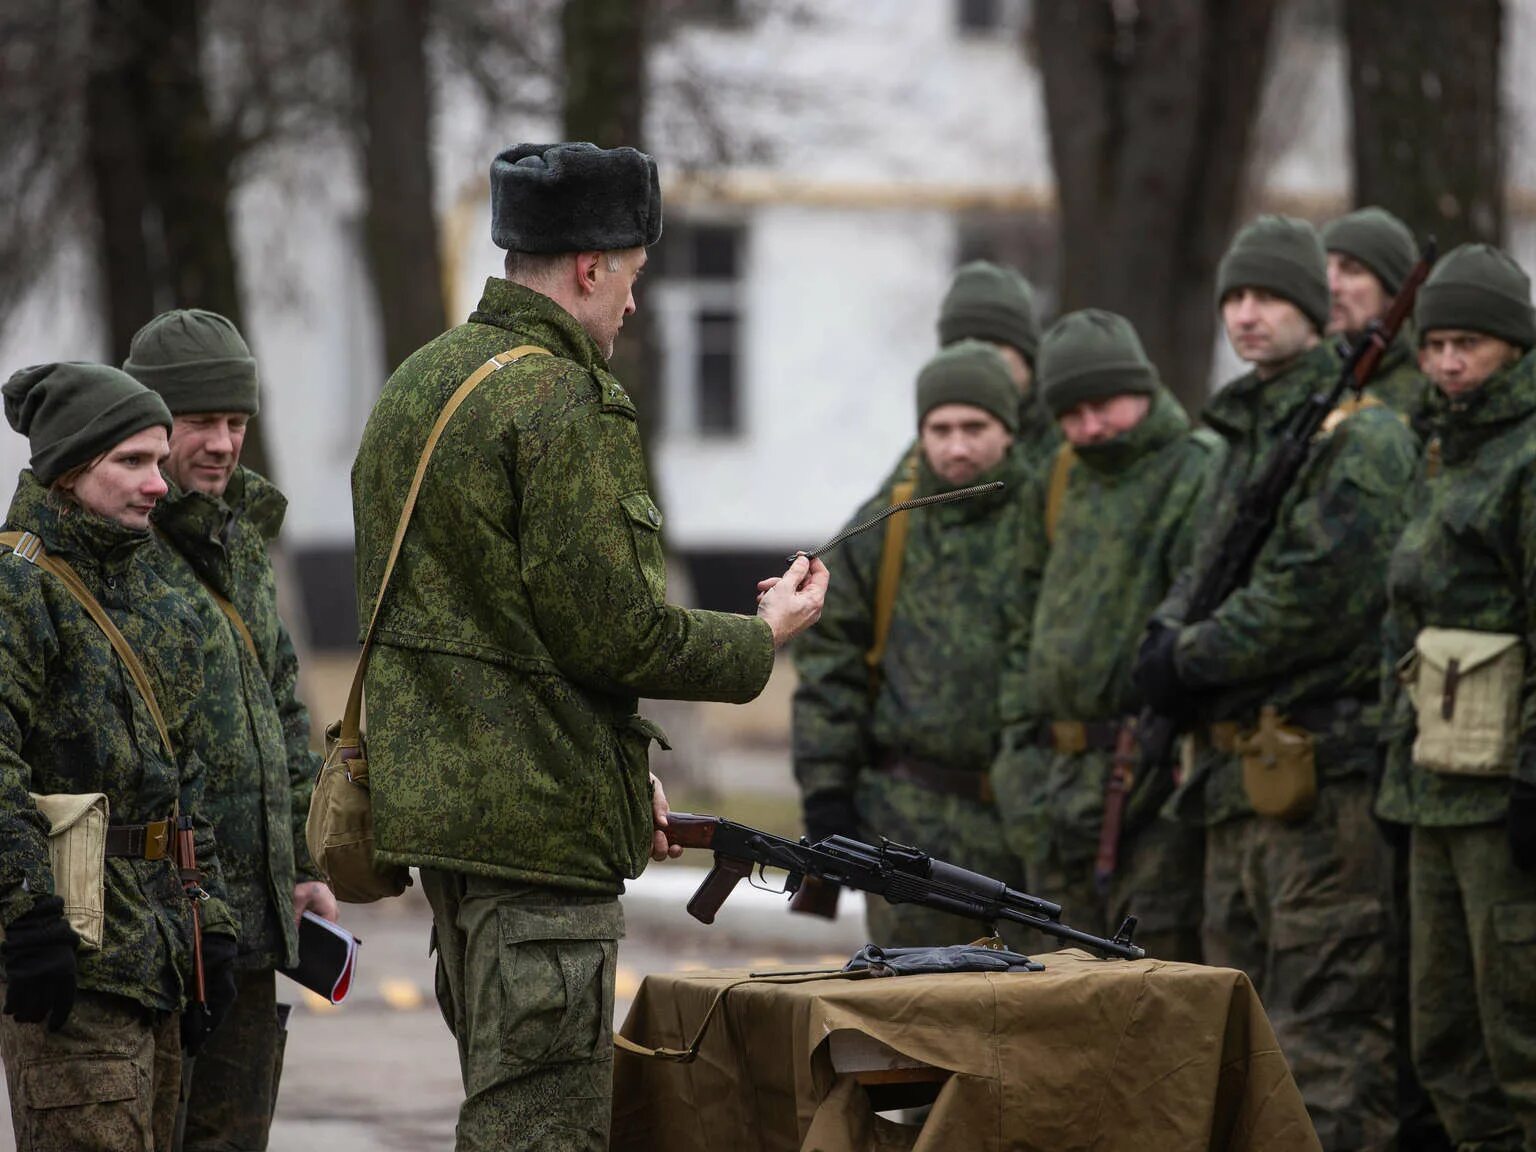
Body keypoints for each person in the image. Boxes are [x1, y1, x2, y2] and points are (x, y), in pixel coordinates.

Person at [350, 141, 827, 1151]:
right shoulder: (559, 400)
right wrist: (763, 633)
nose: (636, 305)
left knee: (504, 1107)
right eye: (636, 278)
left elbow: (492, 637)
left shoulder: (419, 384)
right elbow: (612, 632)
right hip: (536, 853)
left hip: (451, 833)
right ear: (589, 268)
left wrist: (612, 772)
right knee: (540, 1132)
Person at [1135, 215, 1417, 1150]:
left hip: (1320, 780)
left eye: (1270, 297)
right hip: (1236, 784)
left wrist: (1191, 656)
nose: (1247, 316)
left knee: (1328, 1044)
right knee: (1244, 1045)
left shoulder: (1362, 440)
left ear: (1313, 308)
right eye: (1235, 299)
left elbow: (1316, 594)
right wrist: (1165, 641)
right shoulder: (1244, 433)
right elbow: (1205, 564)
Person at [0, 363, 239, 1151]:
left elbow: (188, 779)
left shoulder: (154, 593)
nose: (158, 483)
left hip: (164, 962)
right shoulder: (17, 587)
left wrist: (212, 922)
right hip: (76, 960)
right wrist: (24, 915)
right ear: (70, 470)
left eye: (157, 458)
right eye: (130, 462)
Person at [123, 308, 336, 1150]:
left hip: (252, 930)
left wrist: (306, 865)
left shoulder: (240, 543)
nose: (221, 442)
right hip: (162, 926)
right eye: (200, 422)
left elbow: (282, 712)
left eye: (236, 422)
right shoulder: (119, 544)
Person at [992, 310, 1217, 960]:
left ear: (1142, 389)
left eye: (1103, 406)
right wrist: (1017, 754)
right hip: (1051, 789)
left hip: (1148, 785)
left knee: (1151, 988)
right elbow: (1020, 621)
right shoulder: (1059, 478)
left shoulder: (1197, 471)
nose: (1089, 428)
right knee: (1053, 992)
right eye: (1071, 413)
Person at [792, 340, 1031, 949]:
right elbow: (830, 669)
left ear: (1009, 429)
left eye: (975, 427)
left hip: (1028, 824)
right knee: (917, 1015)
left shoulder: (1048, 516)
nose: (956, 445)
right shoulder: (884, 527)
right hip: (908, 827)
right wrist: (827, 798)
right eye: (940, 428)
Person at [1376, 243, 1536, 1149]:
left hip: (1502, 797)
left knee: (1520, 1039)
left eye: (1467, 343)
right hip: (1429, 784)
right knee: (1443, 1042)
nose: (1445, 362)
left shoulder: (1526, 456)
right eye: (1434, 344)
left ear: (1513, 345)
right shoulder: (1439, 448)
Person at [877, 262, 1057, 493]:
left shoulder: (1073, 433)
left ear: (1027, 357)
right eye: (960, 348)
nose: (975, 361)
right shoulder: (929, 453)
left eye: (992, 347)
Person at [1322, 205, 1429, 420]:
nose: (1331, 286)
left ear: (1393, 295)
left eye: (1352, 271)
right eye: (1323, 267)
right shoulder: (1311, 375)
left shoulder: (1426, 394)